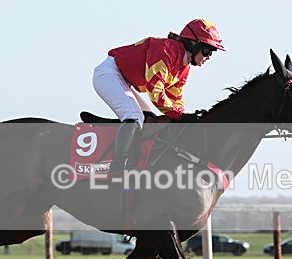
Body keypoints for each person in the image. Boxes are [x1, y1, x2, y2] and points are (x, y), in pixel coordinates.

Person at [92, 18, 225, 174]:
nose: (208, 57)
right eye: (207, 51)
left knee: (149, 120)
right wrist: (181, 117)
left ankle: (131, 155)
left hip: (124, 80)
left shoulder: (184, 68)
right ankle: (118, 167)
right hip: (109, 74)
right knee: (134, 117)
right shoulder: (166, 51)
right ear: (193, 44)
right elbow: (156, 93)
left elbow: (175, 99)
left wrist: (183, 116)